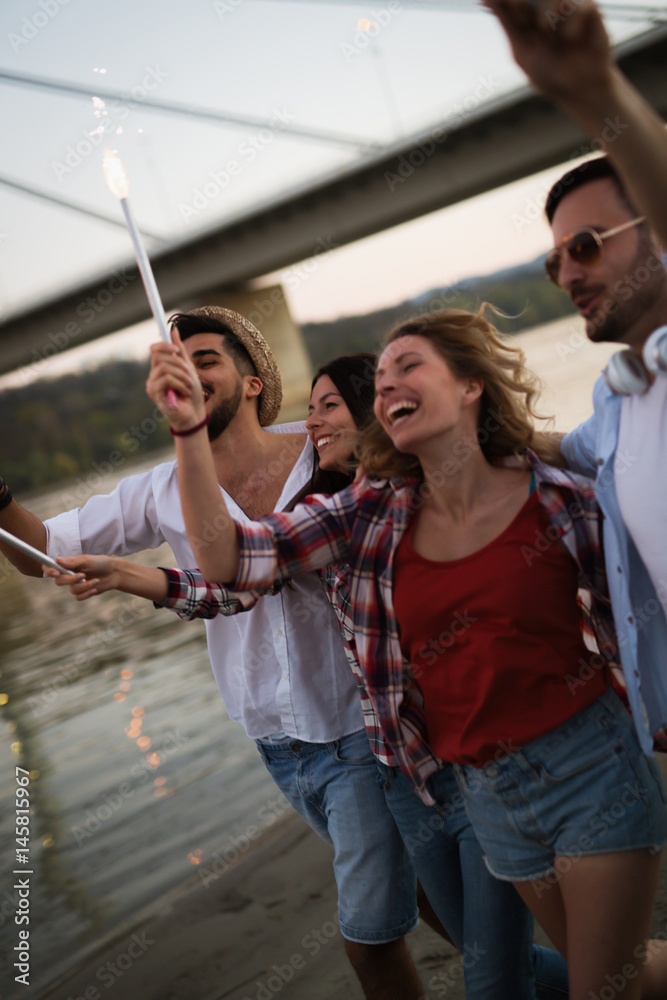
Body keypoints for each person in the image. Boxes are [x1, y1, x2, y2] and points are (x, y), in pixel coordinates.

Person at [151, 305, 667, 1000]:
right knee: (610, 975)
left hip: (588, 767)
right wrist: (187, 431)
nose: (387, 383)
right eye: (381, 375)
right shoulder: (370, 512)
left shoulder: (559, 501)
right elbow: (230, 559)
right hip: (483, 792)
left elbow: (640, 608)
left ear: (469, 384)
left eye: (408, 366)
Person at [49, 351, 570, 1000]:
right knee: (498, 961)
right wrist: (126, 571)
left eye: (328, 407)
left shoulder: (441, 494)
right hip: (408, 776)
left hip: (481, 765)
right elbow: (235, 580)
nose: (311, 423)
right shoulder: (342, 515)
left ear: (371, 417)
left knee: (488, 974)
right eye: (309, 408)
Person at [0, 308, 425, 1000]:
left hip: (361, 727)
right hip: (277, 743)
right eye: (176, 364)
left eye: (206, 361)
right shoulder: (161, 488)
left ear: (253, 381)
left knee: (369, 935)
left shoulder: (323, 443)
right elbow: (40, 550)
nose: (189, 376)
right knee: (440, 909)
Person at [484, 0, 667, 754]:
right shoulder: (618, 394)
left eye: (585, 246)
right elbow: (574, 448)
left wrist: (594, 92)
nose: (565, 272)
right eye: (554, 258)